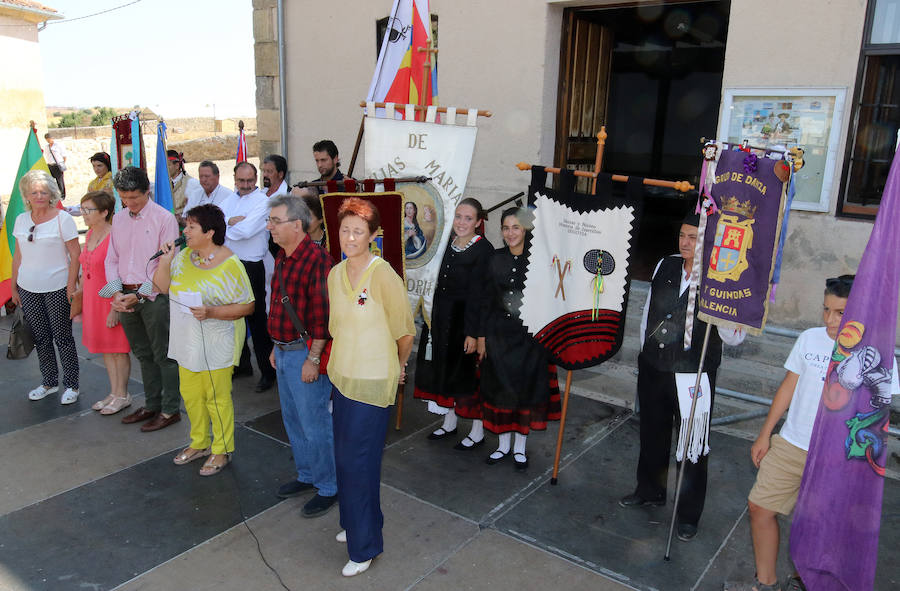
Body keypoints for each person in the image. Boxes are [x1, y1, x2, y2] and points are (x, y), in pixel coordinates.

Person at [724, 276, 899, 591]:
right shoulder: (810, 338)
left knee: (820, 526)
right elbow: (789, 386)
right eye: (826, 310)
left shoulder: (877, 352)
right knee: (759, 507)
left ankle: (808, 580)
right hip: (792, 443)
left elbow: (877, 409)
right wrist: (766, 433)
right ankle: (765, 582)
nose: (830, 320)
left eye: (839, 312)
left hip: (836, 455)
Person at [619, 212, 745, 541]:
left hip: (693, 372)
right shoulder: (666, 264)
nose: (686, 242)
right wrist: (645, 350)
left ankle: (688, 515)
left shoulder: (722, 276)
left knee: (692, 446)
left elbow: (734, 338)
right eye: (682, 235)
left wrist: (731, 312)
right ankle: (649, 490)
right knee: (652, 433)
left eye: (694, 237)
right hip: (655, 366)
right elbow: (650, 310)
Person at [327, 197, 415, 577]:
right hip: (343, 378)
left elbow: (404, 332)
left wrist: (398, 367)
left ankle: (366, 548)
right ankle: (353, 524)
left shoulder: (383, 275)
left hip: (374, 381)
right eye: (345, 230)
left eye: (358, 231)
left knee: (360, 464)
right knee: (344, 459)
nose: (350, 237)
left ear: (373, 235)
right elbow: (336, 328)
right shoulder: (335, 274)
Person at [153, 204, 255, 476]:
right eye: (185, 226)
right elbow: (161, 287)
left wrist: (212, 312)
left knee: (216, 397)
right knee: (191, 395)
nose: (184, 231)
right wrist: (165, 260)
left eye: (190, 227)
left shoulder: (230, 264)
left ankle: (222, 449)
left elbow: (247, 306)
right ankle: (199, 442)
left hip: (217, 342)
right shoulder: (183, 256)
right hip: (187, 341)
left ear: (209, 232)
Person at [266, 194, 338, 517]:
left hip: (304, 355)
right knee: (293, 420)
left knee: (315, 424)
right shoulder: (283, 256)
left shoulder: (319, 261)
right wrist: (274, 346)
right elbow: (278, 306)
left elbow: (323, 319)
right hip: (282, 352)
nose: (270, 227)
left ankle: (328, 486)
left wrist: (313, 359)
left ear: (297, 225)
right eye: (270, 221)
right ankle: (307, 475)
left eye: (275, 221)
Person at [478, 208, 560, 470]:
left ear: (525, 230)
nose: (510, 233)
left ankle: (520, 449)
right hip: (499, 336)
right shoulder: (494, 259)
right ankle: (503, 446)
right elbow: (486, 301)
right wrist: (481, 337)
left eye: (516, 227)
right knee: (501, 390)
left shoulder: (540, 261)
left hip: (530, 338)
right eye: (505, 228)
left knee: (525, 391)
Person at [103, 166, 182, 432]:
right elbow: (112, 258)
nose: (129, 203)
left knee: (163, 354)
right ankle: (151, 404)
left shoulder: (163, 219)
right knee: (142, 353)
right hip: (125, 295)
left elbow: (166, 265)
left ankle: (171, 409)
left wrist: (138, 295)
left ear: (147, 190)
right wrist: (117, 293)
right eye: (124, 197)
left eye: (134, 197)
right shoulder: (119, 219)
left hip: (154, 296)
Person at [414, 198, 493, 449]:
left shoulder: (483, 250)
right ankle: (449, 423)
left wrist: (473, 332)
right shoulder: (446, 243)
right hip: (441, 318)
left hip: (464, 323)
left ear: (479, 222)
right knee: (445, 372)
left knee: (467, 377)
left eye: (468, 218)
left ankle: (477, 431)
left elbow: (479, 296)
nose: (461, 222)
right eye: (458, 216)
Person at [10, 170, 80, 404]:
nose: (39, 196)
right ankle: (49, 382)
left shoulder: (63, 219)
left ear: (51, 193)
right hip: (28, 288)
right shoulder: (21, 220)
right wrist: (14, 287)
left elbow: (75, 254)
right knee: (40, 337)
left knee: (63, 337)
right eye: (34, 192)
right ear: (26, 196)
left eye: (43, 191)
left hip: (58, 287)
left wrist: (71, 287)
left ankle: (72, 384)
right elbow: (18, 256)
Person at [222, 162, 277, 392]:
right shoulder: (229, 200)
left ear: (255, 179)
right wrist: (229, 222)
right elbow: (213, 224)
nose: (245, 185)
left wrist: (228, 223)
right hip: (229, 264)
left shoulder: (263, 201)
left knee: (256, 319)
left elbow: (245, 232)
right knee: (233, 318)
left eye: (249, 181)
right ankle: (242, 365)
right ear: (234, 179)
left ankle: (267, 372)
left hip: (252, 265)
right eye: (241, 181)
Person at [80, 191, 132, 415]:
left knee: (118, 349)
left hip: (111, 300)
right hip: (93, 300)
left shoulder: (115, 236)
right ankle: (114, 391)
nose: (83, 214)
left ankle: (123, 394)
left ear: (104, 212)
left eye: (88, 210)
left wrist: (115, 307)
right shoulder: (91, 233)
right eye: (82, 210)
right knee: (105, 349)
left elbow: (121, 273)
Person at [167, 150, 201, 221]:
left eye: (168, 165)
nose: (165, 169)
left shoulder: (191, 184)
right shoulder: (164, 184)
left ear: (176, 166)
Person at [44, 133, 67, 198]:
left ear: (52, 138)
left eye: (49, 139)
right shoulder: (46, 147)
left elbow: (64, 155)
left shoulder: (58, 145)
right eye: (47, 140)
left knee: (59, 181)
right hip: (50, 165)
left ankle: (62, 195)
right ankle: (54, 195)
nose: (48, 141)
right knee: (50, 180)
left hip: (57, 165)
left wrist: (62, 164)